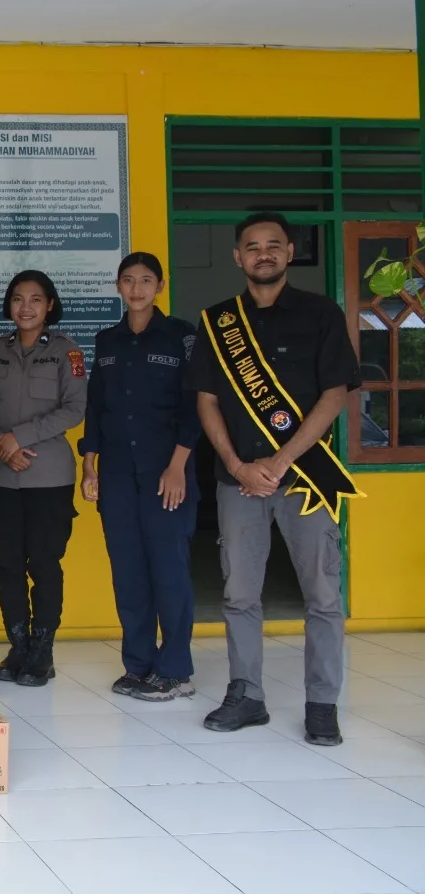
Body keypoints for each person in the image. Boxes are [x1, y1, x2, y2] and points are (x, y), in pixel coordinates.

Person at [190, 212, 360, 746]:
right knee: (240, 593)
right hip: (237, 480)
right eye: (251, 246)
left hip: (305, 477)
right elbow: (206, 400)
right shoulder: (218, 322)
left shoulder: (321, 314)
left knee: (323, 595)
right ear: (238, 257)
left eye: (272, 245)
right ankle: (247, 695)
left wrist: (282, 459)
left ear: (289, 251)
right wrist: (240, 466)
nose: (262, 254)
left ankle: (322, 703)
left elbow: (335, 394)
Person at [81, 253, 201, 702]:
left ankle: (175, 669)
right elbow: (96, 406)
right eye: (128, 280)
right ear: (118, 286)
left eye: (146, 280)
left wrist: (177, 466)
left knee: (169, 570)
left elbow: (194, 406)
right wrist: (88, 462)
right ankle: (139, 665)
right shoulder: (107, 340)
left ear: (160, 286)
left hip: (165, 471)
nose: (136, 289)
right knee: (128, 571)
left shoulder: (181, 337)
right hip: (115, 472)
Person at [0, 270, 88, 687]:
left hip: (48, 476)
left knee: (43, 562)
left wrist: (18, 438)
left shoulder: (66, 352)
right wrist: (2, 444)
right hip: (2, 477)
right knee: (6, 562)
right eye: (18, 299)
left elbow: (74, 409)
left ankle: (42, 650)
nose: (26, 307)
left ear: (49, 306)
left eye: (35, 300)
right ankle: (18, 645)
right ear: (9, 306)